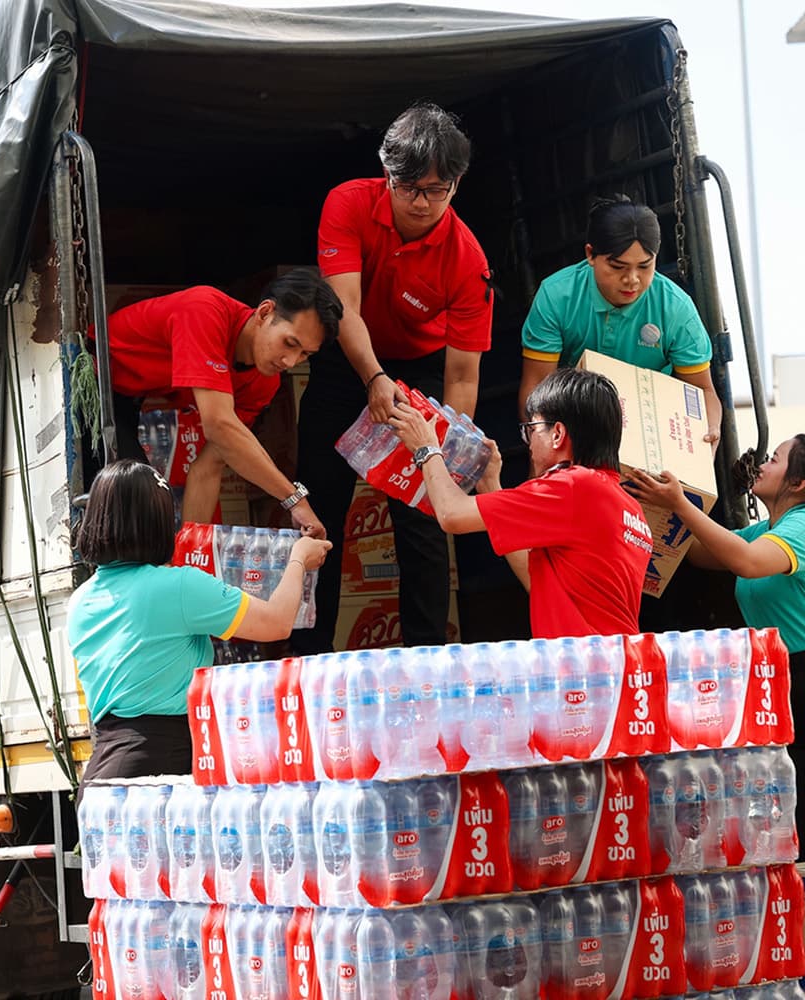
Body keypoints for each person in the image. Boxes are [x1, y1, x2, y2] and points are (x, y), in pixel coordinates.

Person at [626, 434, 805, 861]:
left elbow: (745, 561)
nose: (762, 463)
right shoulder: (766, 530)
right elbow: (701, 553)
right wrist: (648, 505)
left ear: (797, 482)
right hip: (789, 688)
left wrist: (679, 504)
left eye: (774, 458)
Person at [294, 101, 494, 652]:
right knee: (320, 510)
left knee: (424, 522)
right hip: (346, 360)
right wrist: (373, 378)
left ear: (456, 186)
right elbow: (345, 308)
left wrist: (446, 456)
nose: (424, 202)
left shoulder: (467, 260)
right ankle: (307, 658)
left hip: (419, 375)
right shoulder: (348, 203)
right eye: (410, 188)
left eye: (439, 189)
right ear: (388, 176)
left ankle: (426, 655)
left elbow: (462, 375)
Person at [69, 459, 331, 792]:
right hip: (162, 769)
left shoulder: (80, 601)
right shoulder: (178, 587)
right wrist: (298, 560)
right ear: (157, 523)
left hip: (102, 775)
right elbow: (276, 623)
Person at [386, 368, 651, 639]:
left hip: (586, 669)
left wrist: (427, 449)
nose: (528, 443)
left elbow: (451, 514)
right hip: (614, 666)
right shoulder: (628, 506)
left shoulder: (573, 486)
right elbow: (539, 581)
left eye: (532, 429)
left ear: (557, 433)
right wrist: (491, 485)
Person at [104, 269, 343, 535]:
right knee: (137, 498)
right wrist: (294, 499)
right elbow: (219, 425)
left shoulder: (265, 382)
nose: (290, 362)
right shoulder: (204, 310)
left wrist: (190, 560)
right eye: (289, 343)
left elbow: (209, 467)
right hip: (95, 382)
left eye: (304, 354)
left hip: (134, 399)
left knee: (151, 514)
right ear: (265, 312)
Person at [518, 195, 722, 447]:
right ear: (591, 255)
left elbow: (703, 391)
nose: (632, 280)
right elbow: (536, 388)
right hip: (573, 431)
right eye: (618, 267)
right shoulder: (557, 296)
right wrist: (545, 452)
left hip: (649, 437)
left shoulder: (676, 309)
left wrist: (709, 431)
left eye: (645, 267)